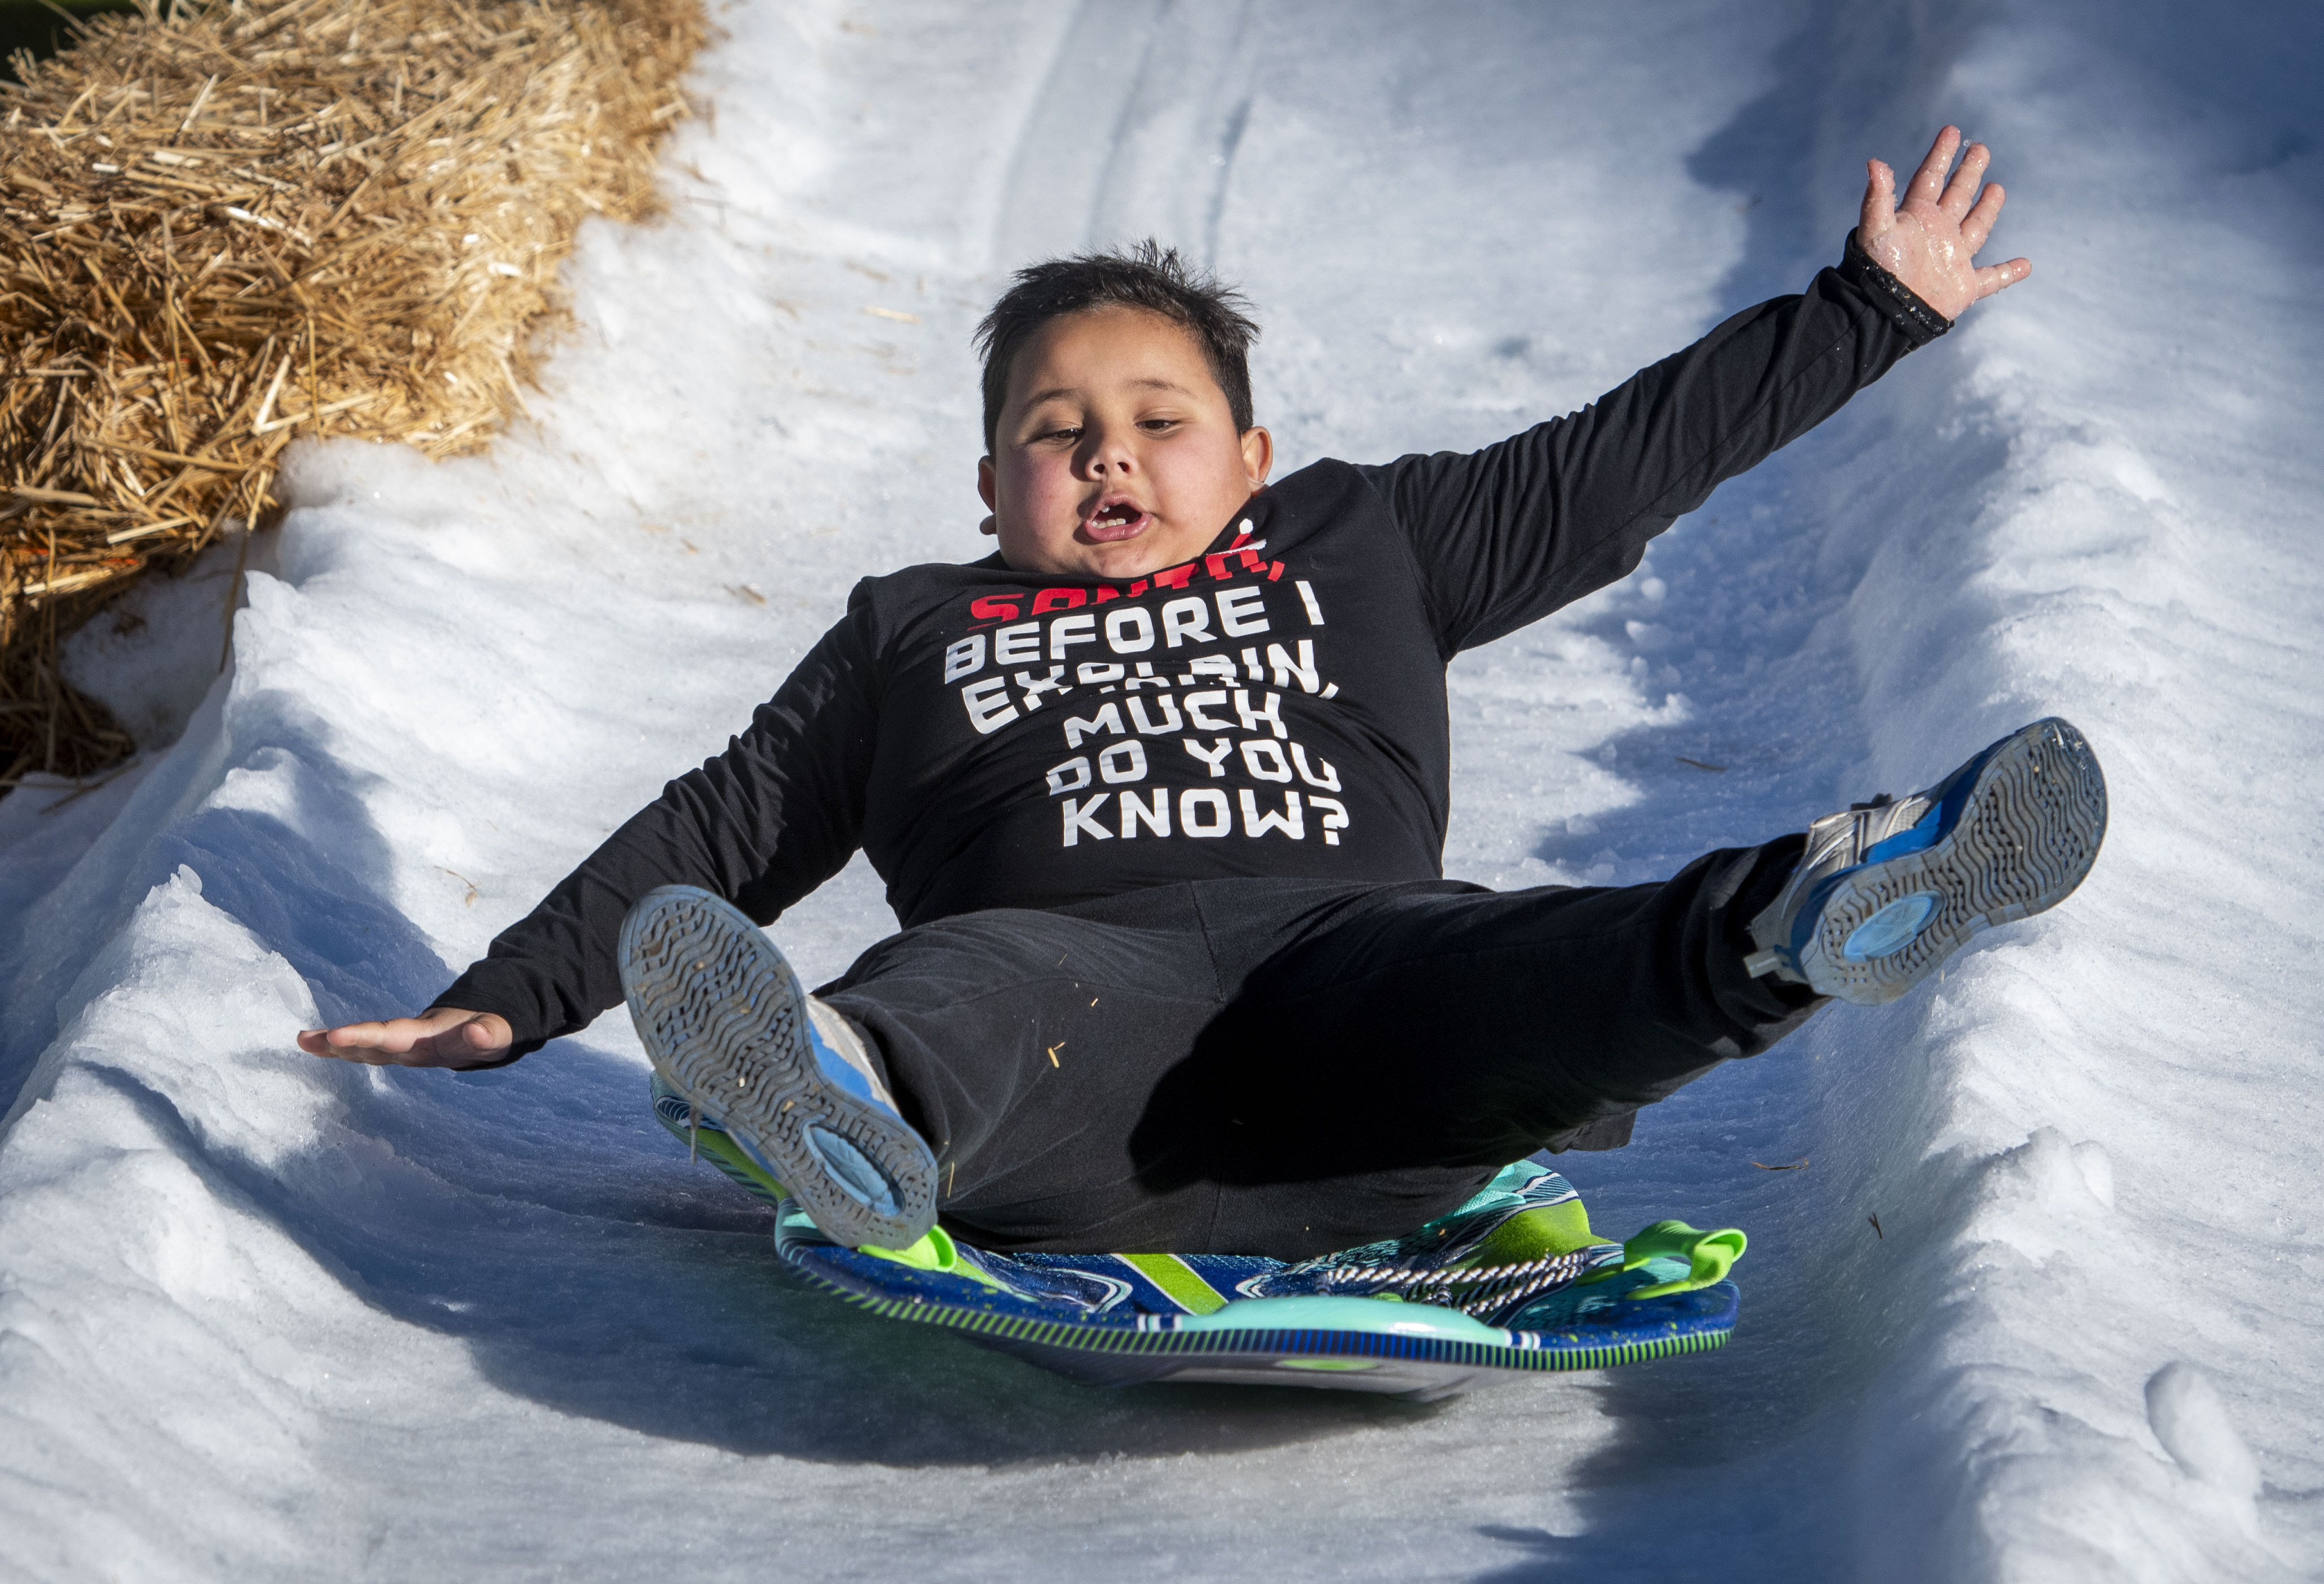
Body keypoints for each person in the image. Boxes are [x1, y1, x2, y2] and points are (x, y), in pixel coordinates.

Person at [300, 128, 2104, 1262]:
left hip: (1357, 1001)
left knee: (1519, 964)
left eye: (1158, 424)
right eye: (1053, 434)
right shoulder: (913, 628)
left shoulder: (1370, 540)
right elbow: (727, 825)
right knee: (966, 990)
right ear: (987, 485)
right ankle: (837, 1096)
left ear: (1250, 455)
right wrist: (516, 997)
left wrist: (1866, 310)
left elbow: (1625, 458)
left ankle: (1798, 917)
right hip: (1066, 1049)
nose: (1108, 459)